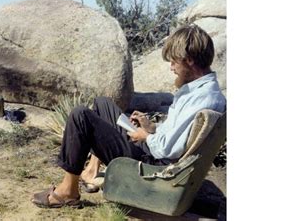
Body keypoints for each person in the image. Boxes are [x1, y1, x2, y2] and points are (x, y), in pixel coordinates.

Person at [31, 24, 226, 208]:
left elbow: (167, 151)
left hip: (154, 165)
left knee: (80, 116)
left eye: (174, 61)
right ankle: (91, 171)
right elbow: (177, 137)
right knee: (102, 103)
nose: (171, 68)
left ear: (189, 60)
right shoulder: (201, 91)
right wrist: (151, 128)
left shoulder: (202, 99)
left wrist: (145, 137)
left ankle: (68, 192)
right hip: (154, 150)